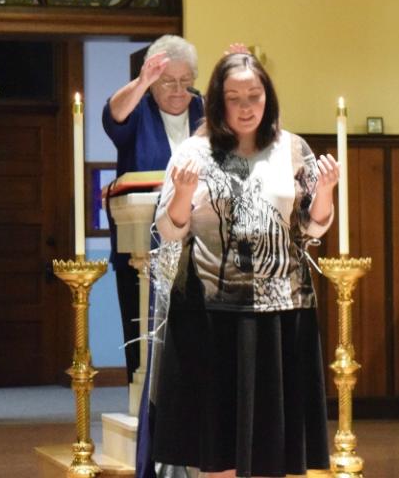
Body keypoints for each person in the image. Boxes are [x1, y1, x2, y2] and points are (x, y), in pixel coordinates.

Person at [151, 52, 340, 477]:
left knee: (273, 447)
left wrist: (325, 191)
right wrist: (182, 194)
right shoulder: (194, 151)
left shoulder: (292, 148)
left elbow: (311, 229)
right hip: (210, 311)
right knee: (217, 444)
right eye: (233, 97)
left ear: (267, 97)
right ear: (218, 102)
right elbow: (169, 230)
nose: (245, 106)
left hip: (280, 311)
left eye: (253, 95)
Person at [102, 35, 204, 382]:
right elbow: (113, 116)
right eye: (168, 81)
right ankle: (144, 403)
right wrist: (143, 81)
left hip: (202, 246)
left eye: (185, 82)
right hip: (140, 246)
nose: (178, 91)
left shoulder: (204, 110)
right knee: (145, 339)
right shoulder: (138, 109)